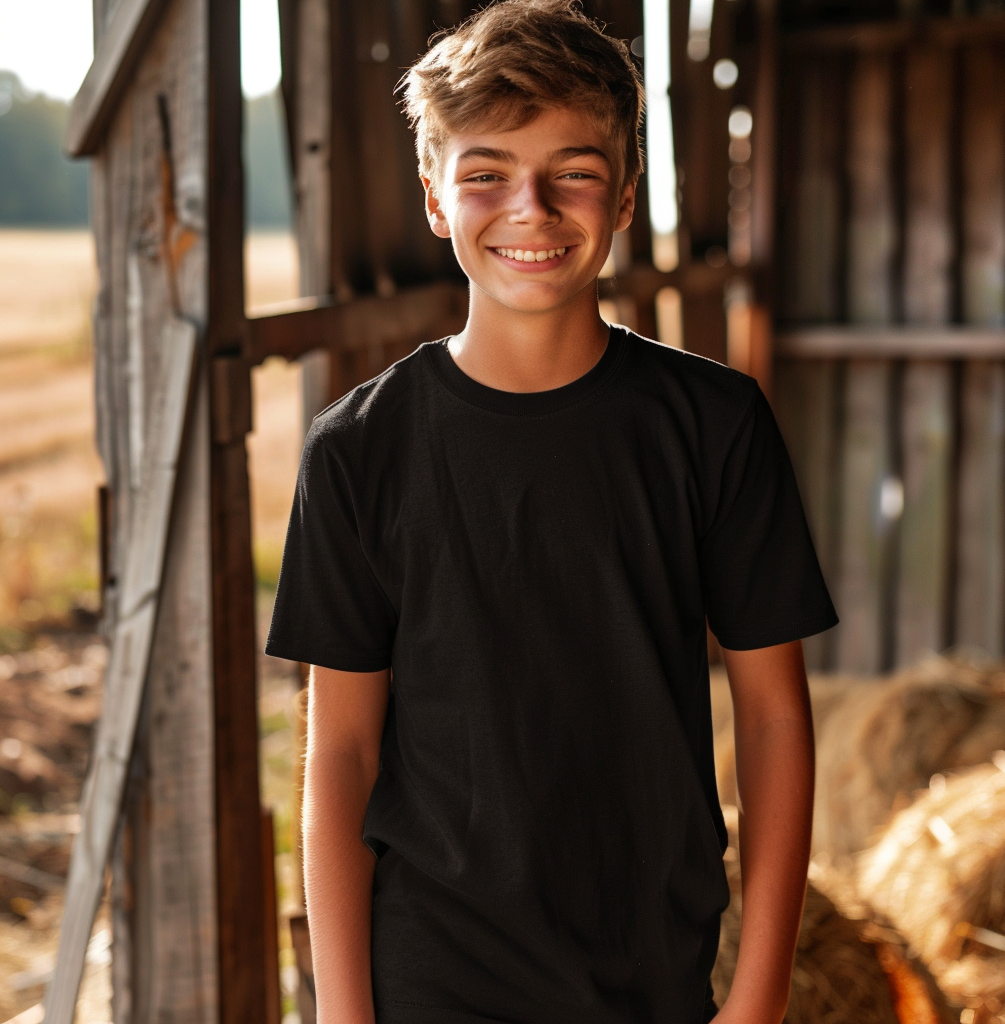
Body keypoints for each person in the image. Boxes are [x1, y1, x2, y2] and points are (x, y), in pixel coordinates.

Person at [265, 2, 838, 1022]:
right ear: (436, 200)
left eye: (571, 170)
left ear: (622, 197)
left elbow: (772, 714)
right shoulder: (357, 450)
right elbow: (342, 751)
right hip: (432, 972)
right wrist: (342, 1015)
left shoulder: (712, 424)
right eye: (484, 173)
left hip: (652, 965)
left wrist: (755, 1005)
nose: (529, 206)